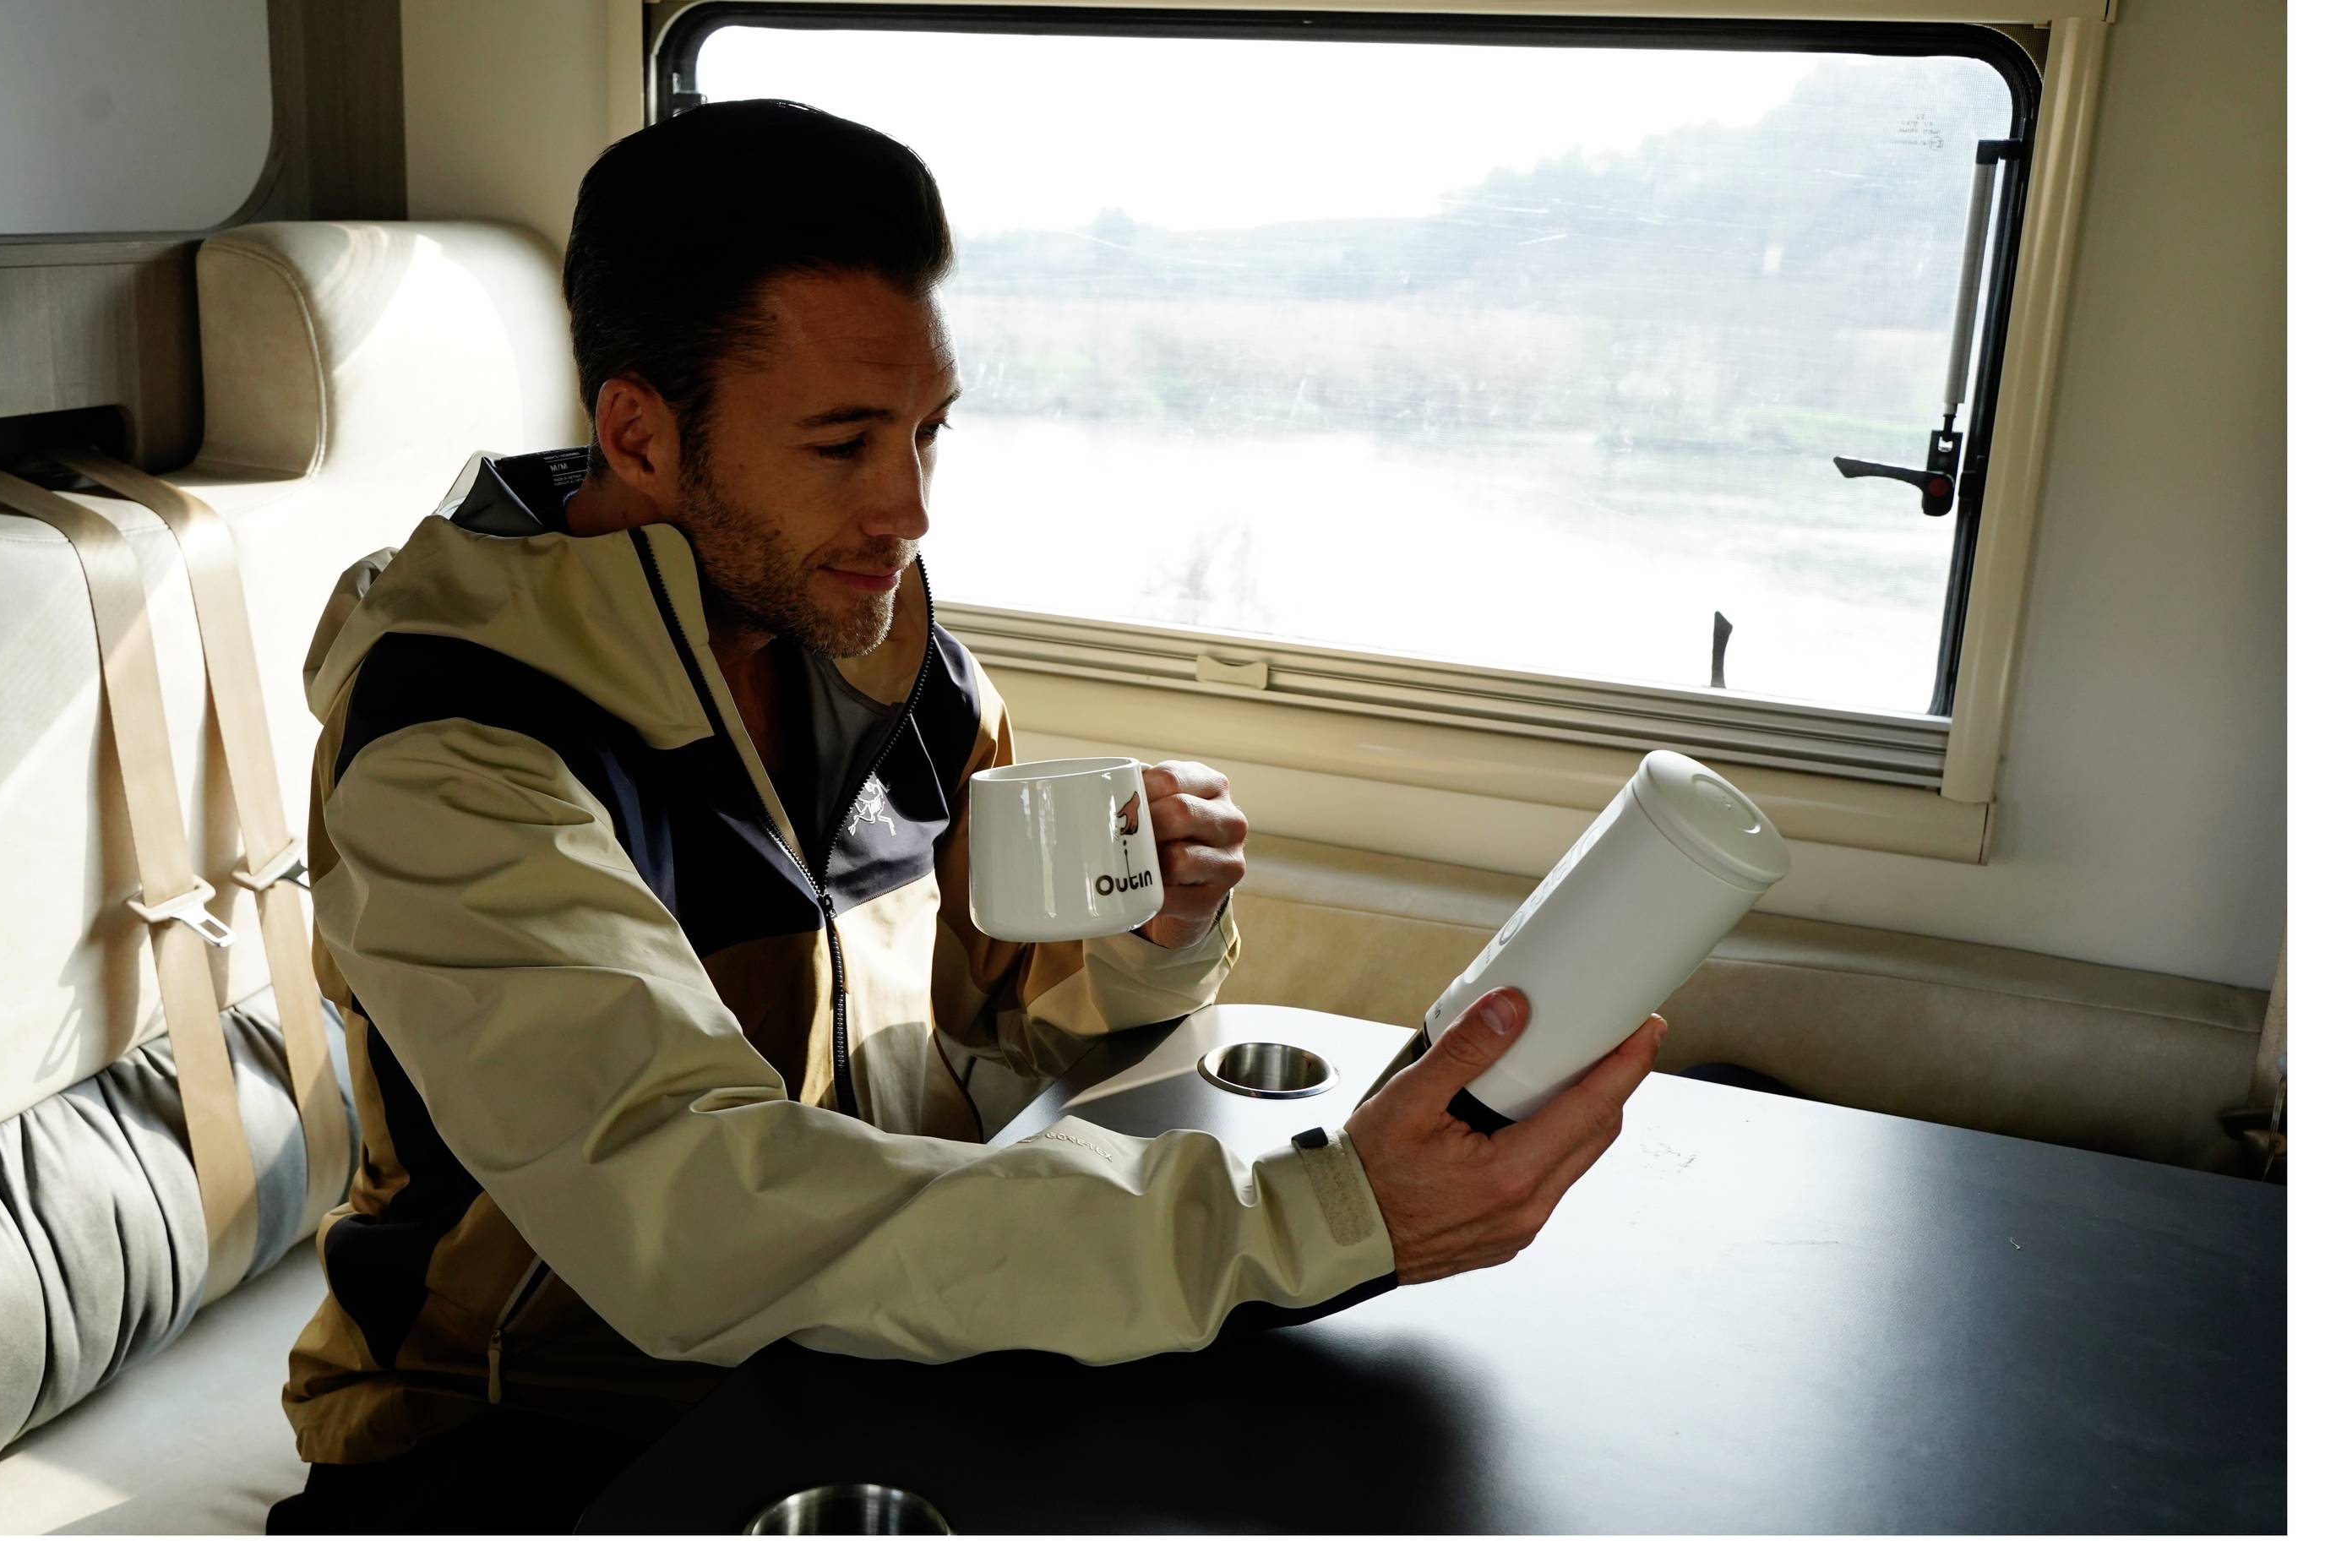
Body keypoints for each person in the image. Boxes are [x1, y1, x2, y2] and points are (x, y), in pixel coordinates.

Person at [266, 99, 1664, 1533]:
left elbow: (1004, 1042)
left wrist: (1151, 941)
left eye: (929, 432)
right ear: (640, 433)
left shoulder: (891, 667)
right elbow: (689, 1208)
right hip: (530, 1436)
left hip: (860, 1362)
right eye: (842, 443)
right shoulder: (458, 753)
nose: (909, 507)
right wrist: (1321, 1218)